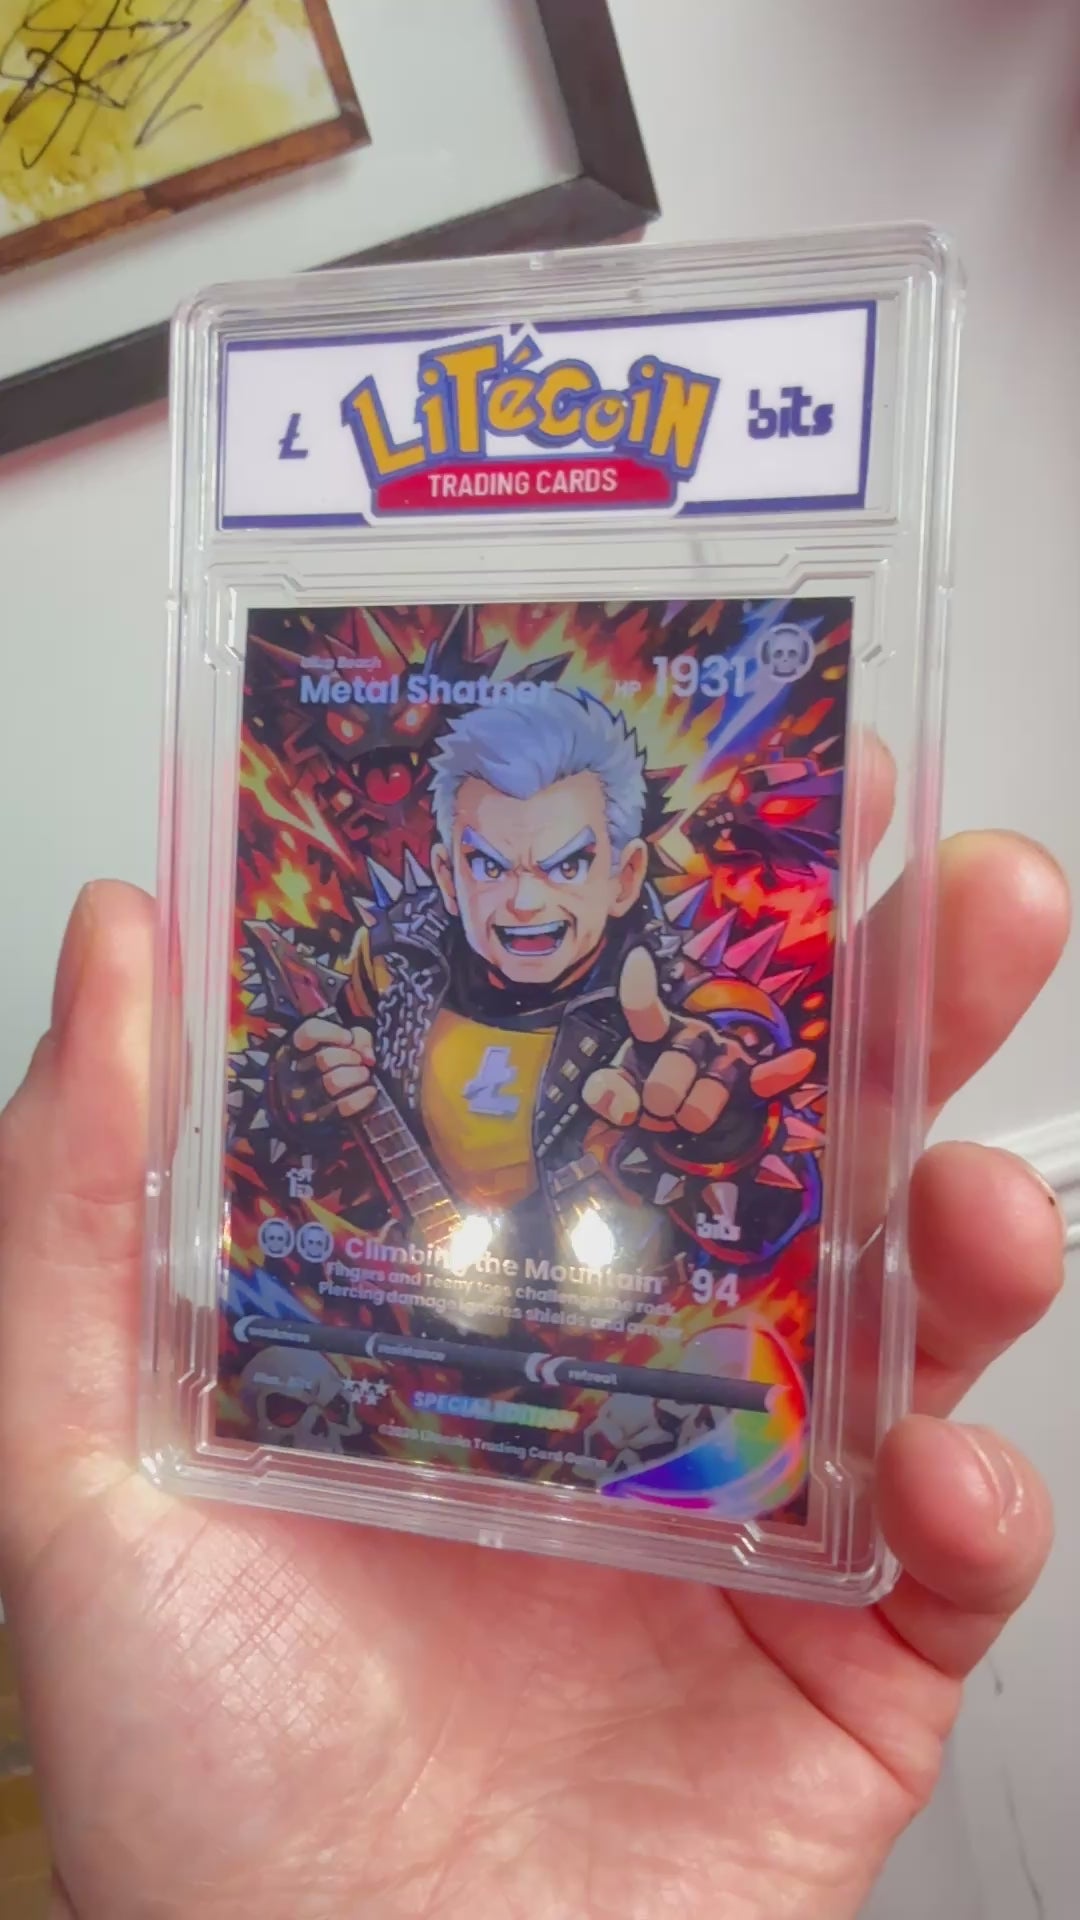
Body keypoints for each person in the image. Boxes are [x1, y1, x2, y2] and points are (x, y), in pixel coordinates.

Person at [0, 830, 1068, 1919]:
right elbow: (288, 1142)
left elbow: (742, 1161)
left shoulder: (652, 1003)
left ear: (624, 873)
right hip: (383, 1407)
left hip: (620, 1424)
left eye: (564, 862)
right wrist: (306, 1082)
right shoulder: (399, 968)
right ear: (449, 869)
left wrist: (717, 1113)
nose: (523, 897)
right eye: (487, 861)